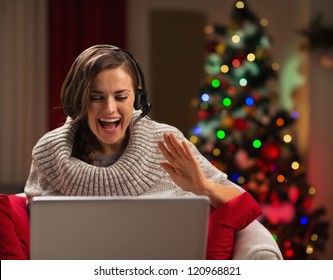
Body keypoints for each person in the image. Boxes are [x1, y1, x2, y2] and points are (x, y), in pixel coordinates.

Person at [24, 44, 262, 259]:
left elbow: (245, 207)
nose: (109, 109)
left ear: (137, 100)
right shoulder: (50, 153)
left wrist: (204, 188)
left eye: (120, 96)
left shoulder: (166, 142)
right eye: (96, 97)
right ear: (78, 101)